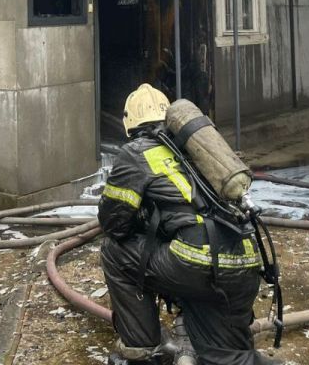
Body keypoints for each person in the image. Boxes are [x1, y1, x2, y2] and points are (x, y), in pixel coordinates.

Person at [98, 84, 281, 365]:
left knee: (114, 251)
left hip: (196, 263)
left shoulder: (136, 152)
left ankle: (141, 350)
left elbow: (113, 223)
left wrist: (144, 221)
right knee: (226, 358)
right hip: (244, 261)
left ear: (129, 122)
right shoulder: (193, 150)